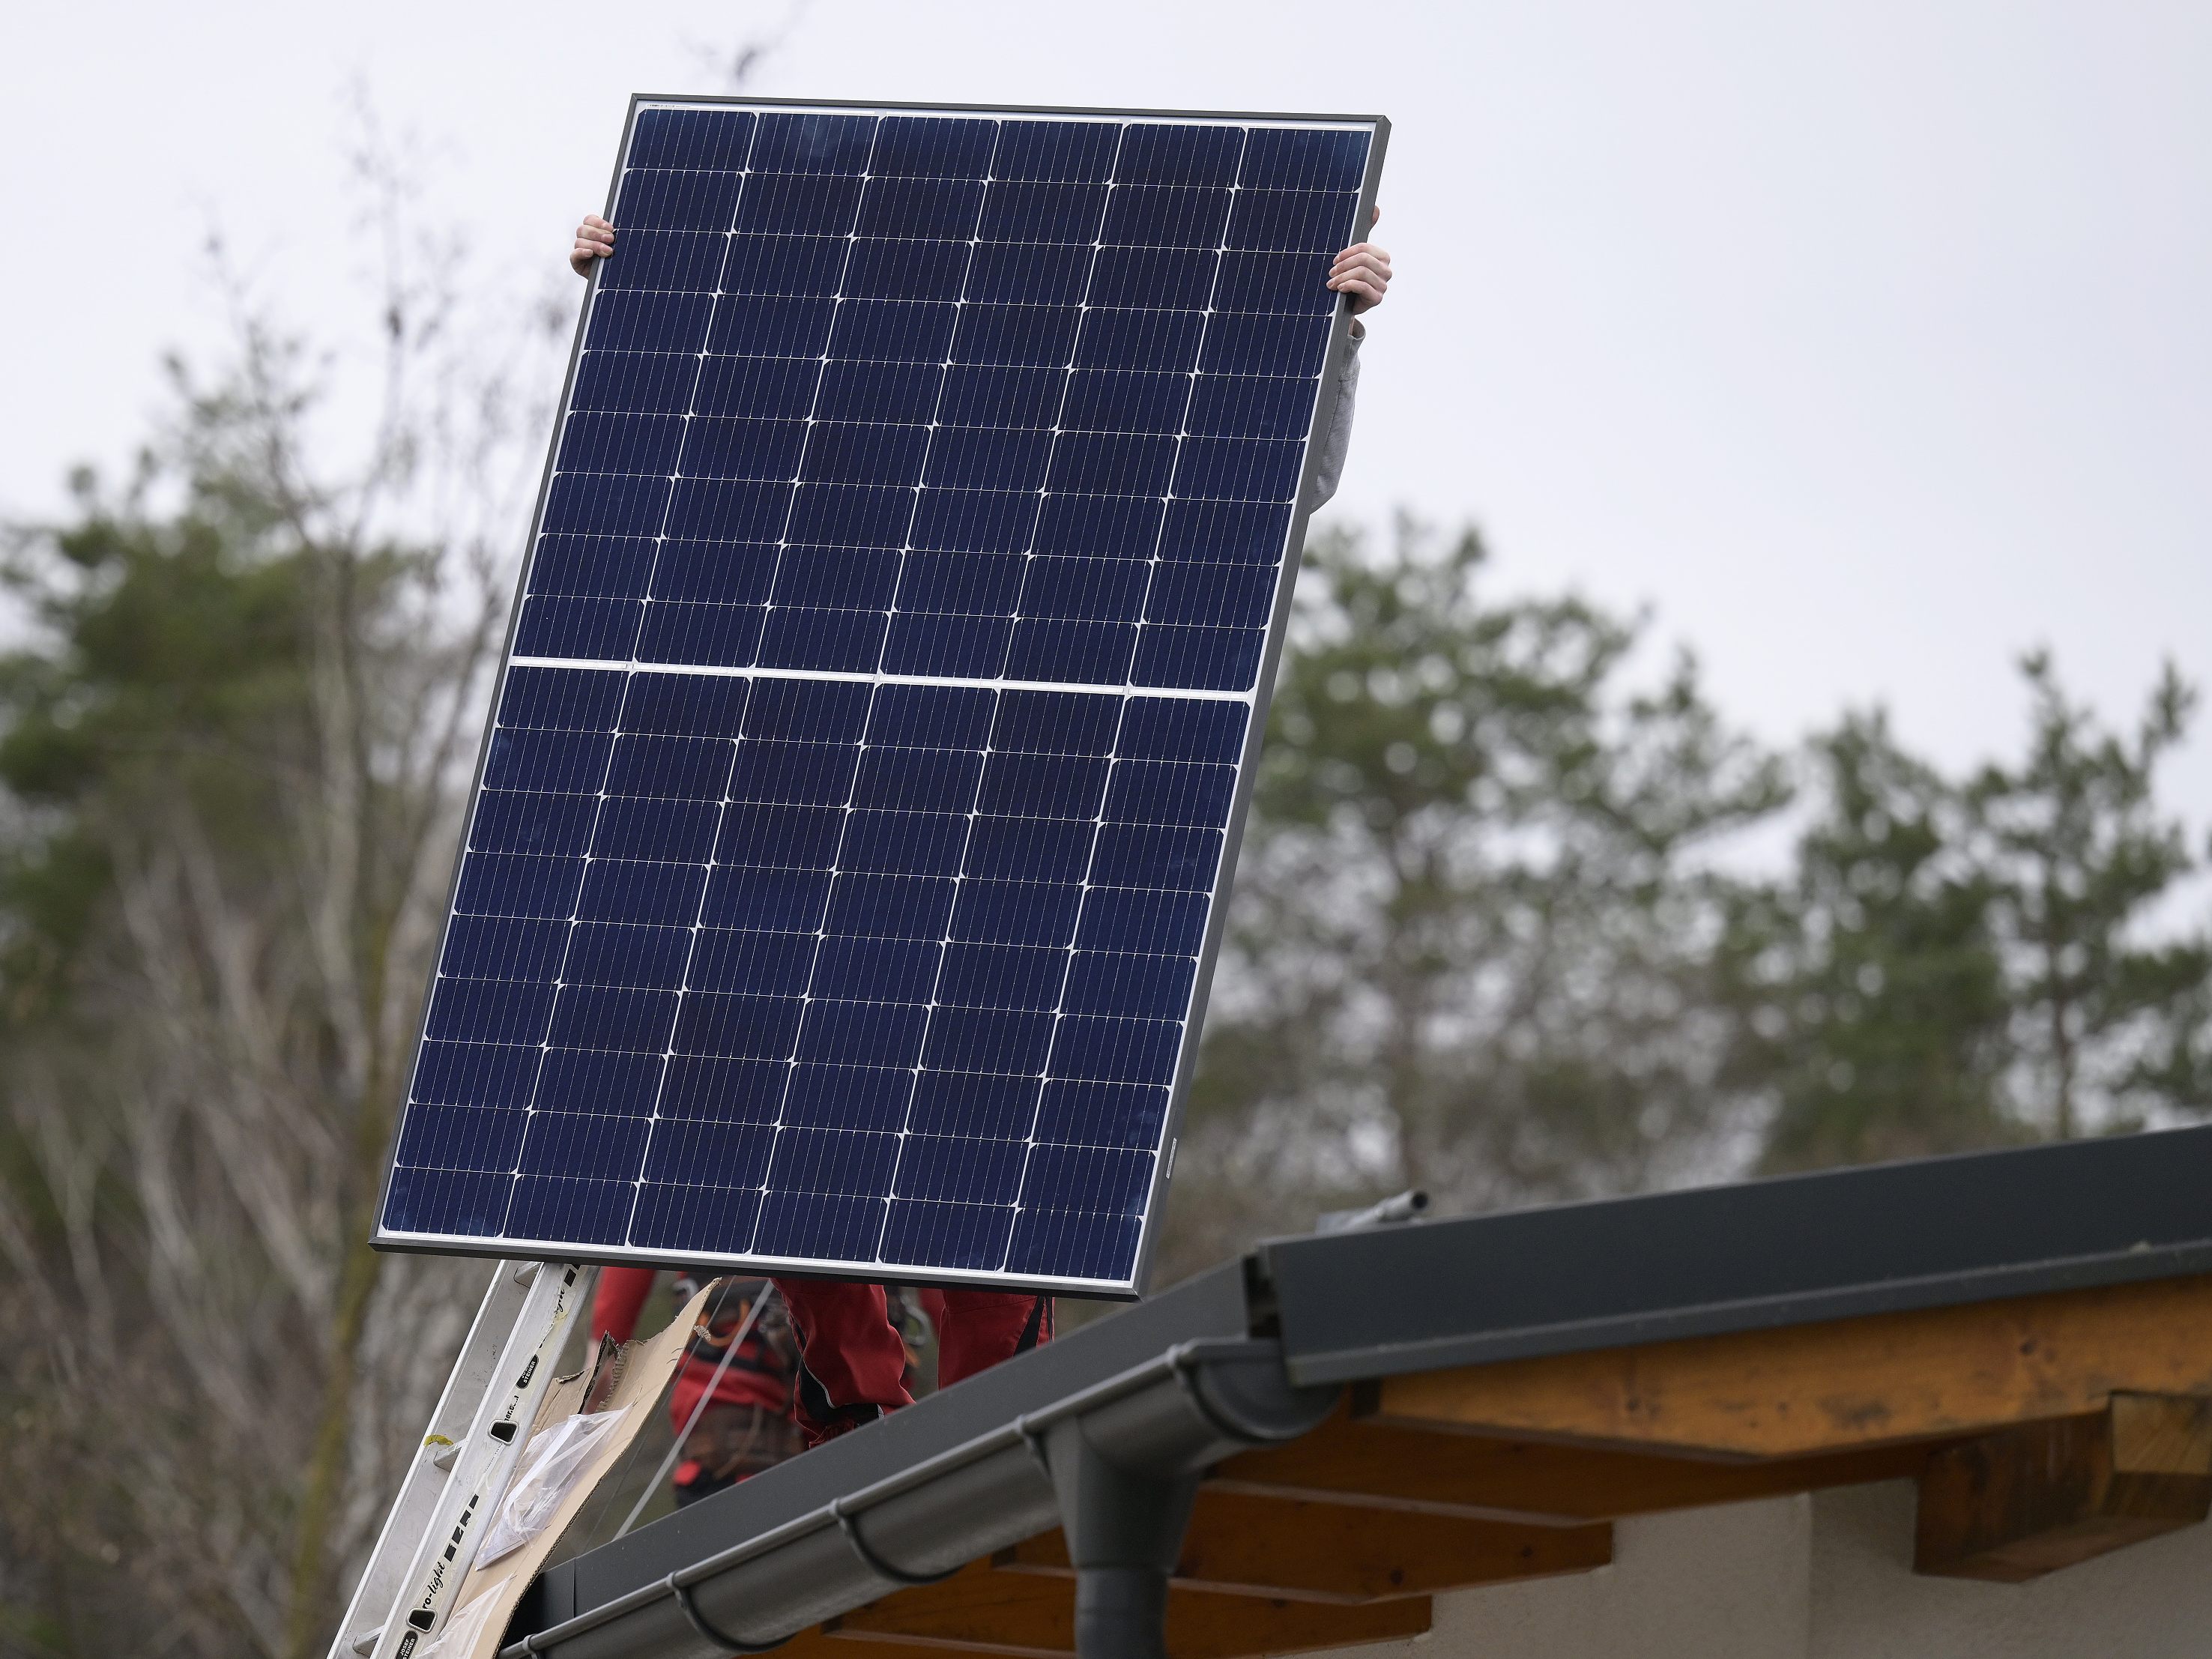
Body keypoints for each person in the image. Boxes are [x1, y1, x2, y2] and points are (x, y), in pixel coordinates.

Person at [567, 196, 1391, 1446]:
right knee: (783, 1177)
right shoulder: (837, 486)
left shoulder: (1097, 511)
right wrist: (637, 297)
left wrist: (1332, 337)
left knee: (993, 1229)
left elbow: (1273, 485)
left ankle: (981, 1459)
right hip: (821, 848)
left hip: (1003, 875)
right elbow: (690, 451)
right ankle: (866, 1414)